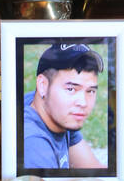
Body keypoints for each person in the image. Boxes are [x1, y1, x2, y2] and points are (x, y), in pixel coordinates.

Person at [22, 43, 103, 171]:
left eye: (90, 91)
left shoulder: (59, 113)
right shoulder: (33, 146)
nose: (83, 103)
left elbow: (94, 169)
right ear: (42, 85)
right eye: (71, 89)